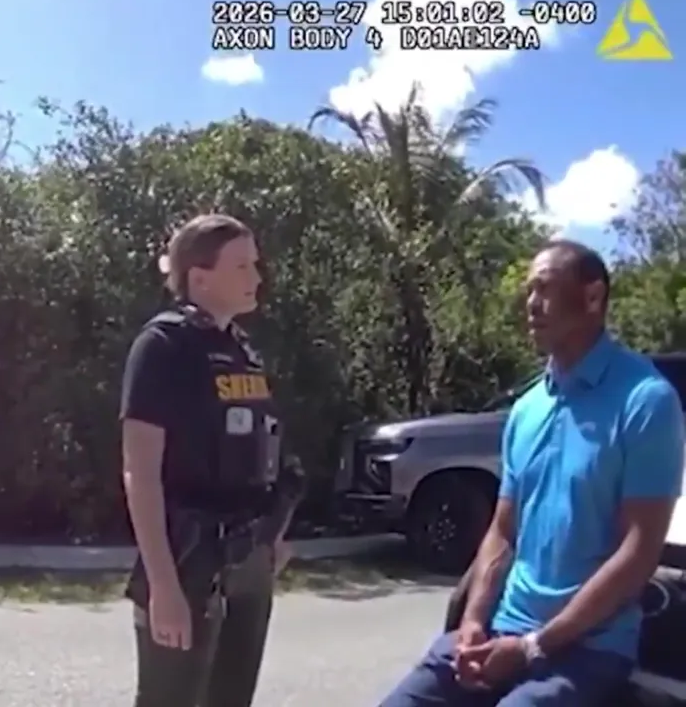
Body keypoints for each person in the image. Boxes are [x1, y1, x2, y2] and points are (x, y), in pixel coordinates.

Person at [377, 239, 685, 707]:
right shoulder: (527, 408)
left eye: (545, 289)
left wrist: (533, 647)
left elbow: (639, 552)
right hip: (501, 631)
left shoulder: (646, 402)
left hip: (587, 651)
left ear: (593, 297)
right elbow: (503, 532)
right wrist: (473, 622)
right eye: (528, 291)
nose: (531, 304)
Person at [120, 213, 303, 707]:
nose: (257, 277)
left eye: (255, 264)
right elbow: (140, 472)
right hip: (189, 562)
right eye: (242, 266)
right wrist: (163, 585)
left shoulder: (244, 351)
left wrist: (273, 535)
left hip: (251, 563)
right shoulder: (162, 346)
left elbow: (263, 448)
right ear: (200, 279)